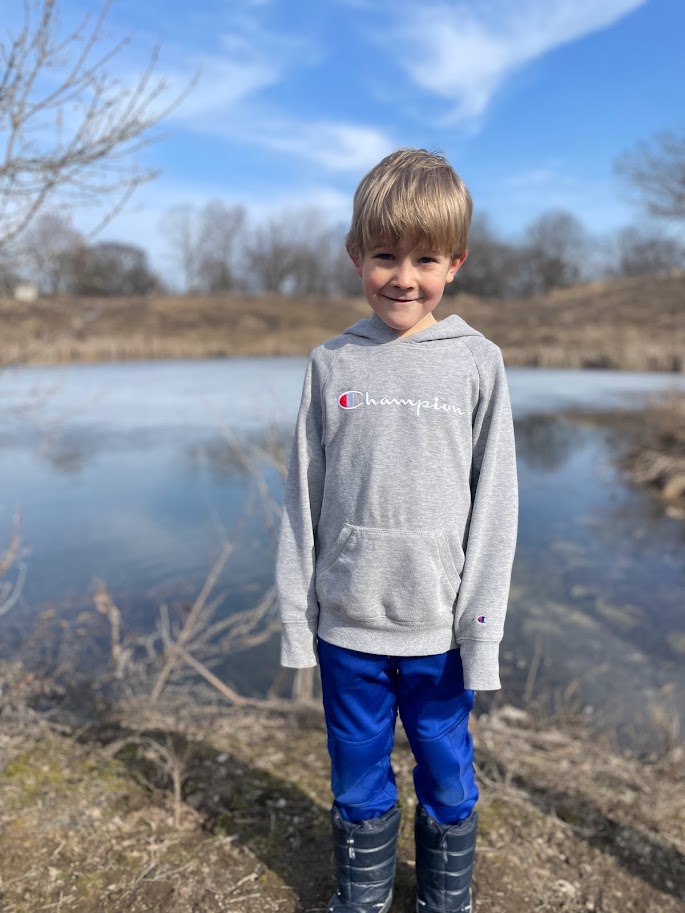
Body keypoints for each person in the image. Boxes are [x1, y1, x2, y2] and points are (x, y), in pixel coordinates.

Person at [275, 148, 518, 913]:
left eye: (424, 258)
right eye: (383, 255)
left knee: (446, 771)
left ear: (455, 263)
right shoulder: (329, 363)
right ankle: (364, 897)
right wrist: (295, 621)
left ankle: (445, 899)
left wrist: (479, 631)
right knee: (355, 771)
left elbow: (496, 508)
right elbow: (300, 501)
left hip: (439, 631)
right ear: (355, 257)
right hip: (348, 626)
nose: (402, 276)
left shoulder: (478, 365)